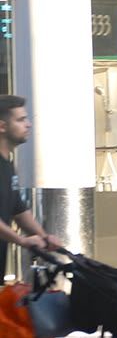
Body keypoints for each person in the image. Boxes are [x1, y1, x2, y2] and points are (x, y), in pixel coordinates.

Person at [0, 95, 64, 278]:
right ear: (2, 126)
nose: (28, 125)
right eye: (21, 120)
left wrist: (44, 236)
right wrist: (22, 241)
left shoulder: (7, 163)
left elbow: (19, 210)